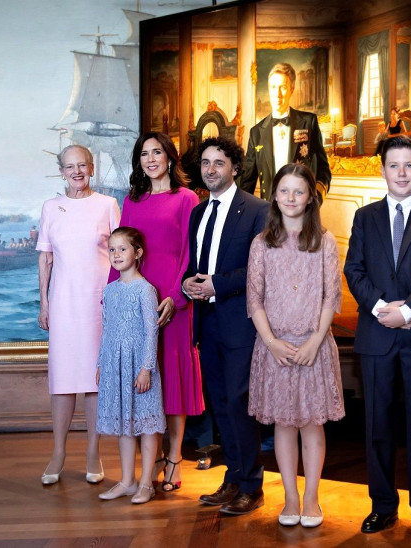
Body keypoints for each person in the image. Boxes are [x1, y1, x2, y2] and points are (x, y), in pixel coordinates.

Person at [343, 135, 411, 538]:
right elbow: (355, 270)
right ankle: (383, 505)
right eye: (393, 165)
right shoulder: (364, 217)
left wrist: (406, 311)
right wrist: (381, 311)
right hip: (376, 336)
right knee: (378, 425)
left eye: (409, 165)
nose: (401, 173)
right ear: (382, 169)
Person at [247, 163, 345, 528]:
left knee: (311, 425)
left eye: (298, 191)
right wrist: (271, 343)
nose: (291, 197)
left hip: (313, 346)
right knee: (283, 426)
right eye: (284, 190)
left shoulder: (325, 240)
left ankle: (312, 498)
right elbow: (254, 299)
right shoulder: (262, 243)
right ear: (274, 195)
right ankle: (289, 497)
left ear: (310, 199)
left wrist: (315, 343)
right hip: (274, 347)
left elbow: (330, 298)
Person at [110, 131, 205, 493]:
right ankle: (145, 465)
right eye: (144, 154)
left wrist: (176, 297)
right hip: (136, 300)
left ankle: (175, 455)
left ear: (169, 157)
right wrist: (114, 297)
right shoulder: (132, 199)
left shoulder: (187, 198)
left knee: (173, 374)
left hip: (172, 300)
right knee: (142, 380)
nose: (150, 159)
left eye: (157, 152)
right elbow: (122, 247)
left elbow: (189, 253)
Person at [181, 137, 270, 515]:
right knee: (219, 403)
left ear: (235, 168)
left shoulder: (258, 210)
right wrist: (188, 283)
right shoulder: (198, 213)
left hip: (241, 324)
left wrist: (217, 283)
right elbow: (195, 264)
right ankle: (232, 478)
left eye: (219, 162)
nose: (211, 169)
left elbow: (260, 271)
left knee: (240, 403)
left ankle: (252, 484)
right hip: (207, 322)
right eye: (205, 162)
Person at [37, 144, 121, 485]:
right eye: (70, 166)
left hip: (98, 303)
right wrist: (44, 303)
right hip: (63, 302)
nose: (77, 171)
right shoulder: (51, 207)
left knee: (94, 380)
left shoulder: (107, 205)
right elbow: (45, 258)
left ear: (92, 167)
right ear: (61, 172)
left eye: (82, 165)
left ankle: (93, 450)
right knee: (62, 379)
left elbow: (120, 254)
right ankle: (58, 452)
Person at [96, 227, 166, 504]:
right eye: (112, 249)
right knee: (124, 424)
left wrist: (147, 368)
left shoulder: (145, 290)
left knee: (146, 424)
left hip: (139, 366)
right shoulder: (110, 290)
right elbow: (106, 328)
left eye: (122, 249)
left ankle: (146, 483)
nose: (116, 254)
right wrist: (101, 363)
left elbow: (152, 331)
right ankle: (127, 481)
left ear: (137, 253)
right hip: (115, 365)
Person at [239, 62, 331, 203]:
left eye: (283, 87)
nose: (278, 93)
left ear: (291, 89)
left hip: (302, 210)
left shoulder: (308, 122)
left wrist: (316, 199)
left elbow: (323, 169)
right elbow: (247, 182)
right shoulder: (256, 132)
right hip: (269, 211)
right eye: (273, 87)